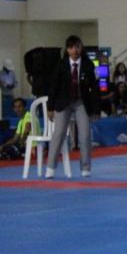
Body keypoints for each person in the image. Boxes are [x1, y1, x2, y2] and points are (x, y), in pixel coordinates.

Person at [46, 35, 101, 178]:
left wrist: (96, 109)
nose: (74, 50)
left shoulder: (89, 65)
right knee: (58, 134)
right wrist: (50, 107)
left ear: (81, 48)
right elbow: (53, 87)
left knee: (85, 135)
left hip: (81, 102)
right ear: (67, 50)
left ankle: (85, 167)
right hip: (63, 102)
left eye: (77, 47)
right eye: (71, 48)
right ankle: (50, 167)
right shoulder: (61, 65)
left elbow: (94, 89)